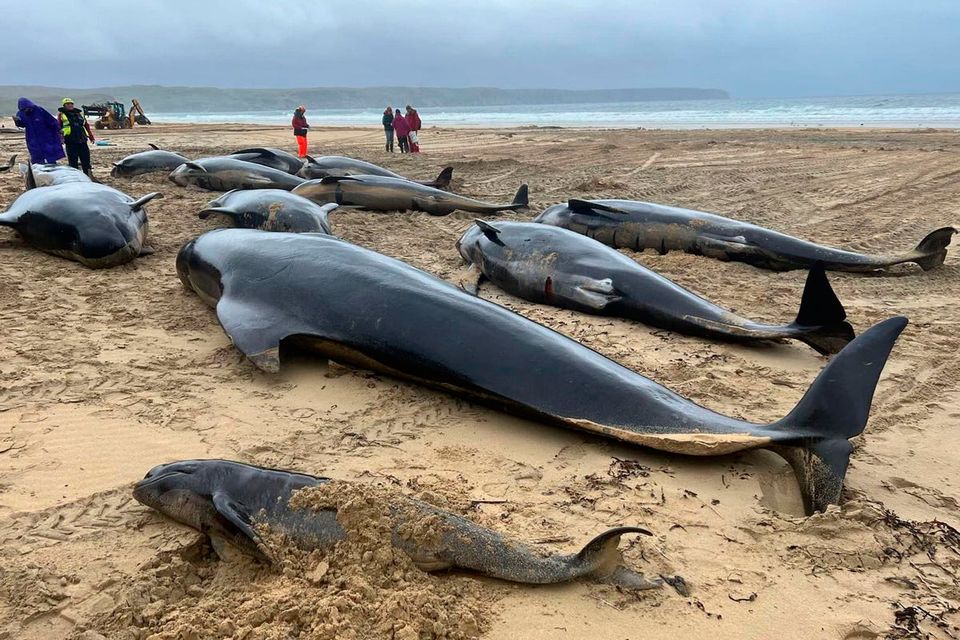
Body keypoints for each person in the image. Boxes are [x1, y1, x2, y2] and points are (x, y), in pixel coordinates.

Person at [13, 97, 65, 164]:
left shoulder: (39, 110)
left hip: (45, 136)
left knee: (50, 154)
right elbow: (22, 125)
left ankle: (52, 167)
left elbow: (51, 120)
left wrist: (58, 129)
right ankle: (38, 169)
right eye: (24, 109)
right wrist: (17, 122)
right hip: (32, 137)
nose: (26, 110)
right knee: (36, 155)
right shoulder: (21, 113)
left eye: (27, 108)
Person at [57, 98, 95, 176]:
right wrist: (60, 139)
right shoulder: (61, 115)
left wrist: (91, 136)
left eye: (71, 104)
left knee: (86, 160)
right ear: (64, 105)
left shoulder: (79, 114)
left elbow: (86, 125)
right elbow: (58, 127)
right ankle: (75, 177)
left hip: (82, 140)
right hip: (70, 141)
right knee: (73, 161)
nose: (70, 105)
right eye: (68, 104)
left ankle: (88, 175)